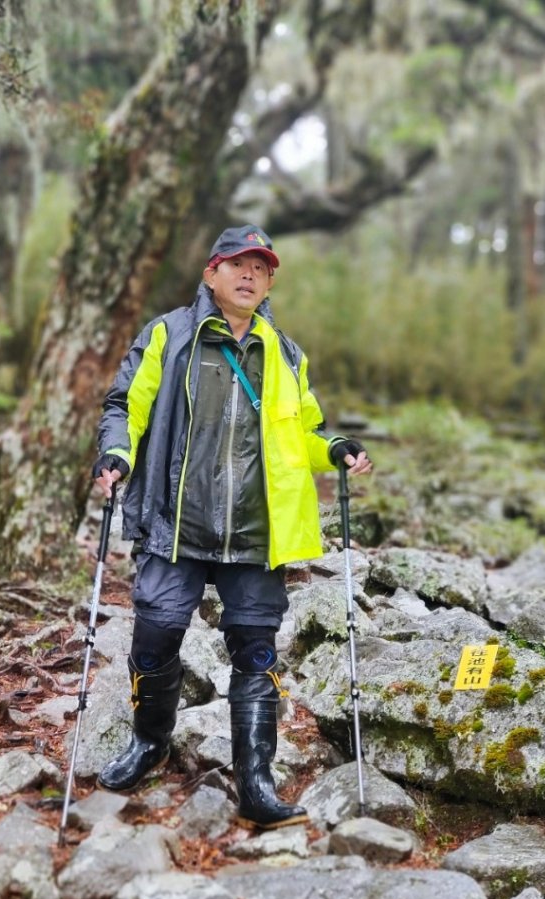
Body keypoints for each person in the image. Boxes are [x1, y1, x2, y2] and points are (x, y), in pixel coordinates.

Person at [92, 224, 372, 829]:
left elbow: (305, 429)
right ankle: (150, 741)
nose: (250, 274)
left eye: (261, 267)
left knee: (257, 650)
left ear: (270, 282)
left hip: (255, 532)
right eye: (238, 263)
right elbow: (125, 406)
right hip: (176, 523)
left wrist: (334, 448)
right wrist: (116, 454)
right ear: (210, 273)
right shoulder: (170, 336)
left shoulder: (285, 354)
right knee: (156, 635)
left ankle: (255, 780)